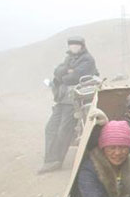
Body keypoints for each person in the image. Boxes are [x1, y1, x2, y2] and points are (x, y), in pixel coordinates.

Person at [38, 36, 99, 174]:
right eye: (71, 45)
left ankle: (56, 160)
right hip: (62, 99)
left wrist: (65, 73)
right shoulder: (69, 58)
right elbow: (57, 71)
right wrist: (66, 71)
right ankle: (50, 158)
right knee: (50, 128)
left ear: (82, 46)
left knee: (64, 130)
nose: (73, 47)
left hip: (74, 100)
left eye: (76, 45)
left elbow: (74, 77)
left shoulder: (87, 59)